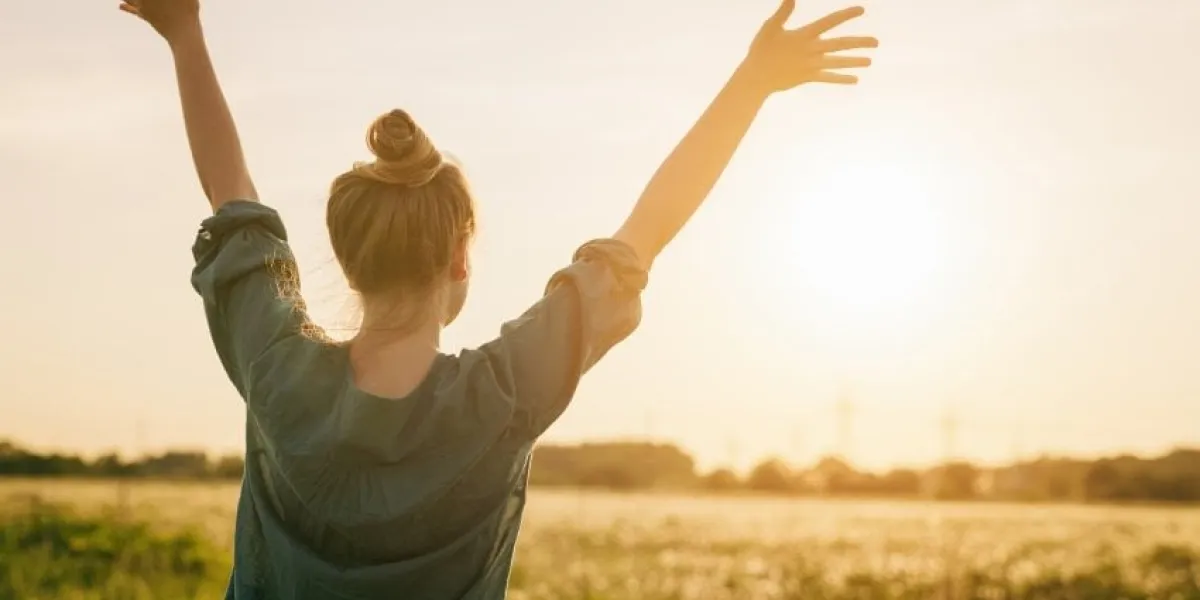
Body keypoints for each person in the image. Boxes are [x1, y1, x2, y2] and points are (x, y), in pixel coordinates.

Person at [118, 0, 877, 598]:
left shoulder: (275, 372)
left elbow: (231, 196)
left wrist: (184, 31)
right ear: (459, 261)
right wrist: (752, 84)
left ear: (348, 260)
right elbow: (646, 232)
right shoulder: (505, 394)